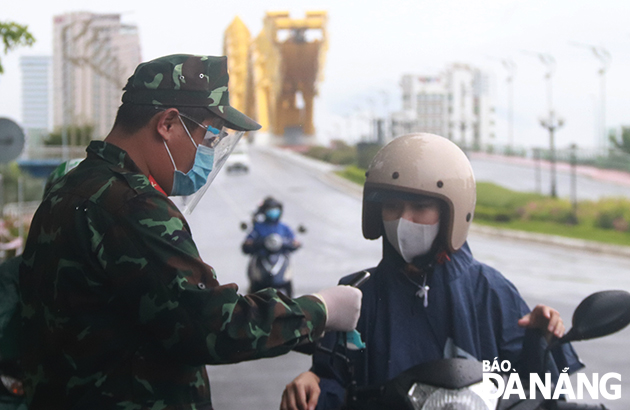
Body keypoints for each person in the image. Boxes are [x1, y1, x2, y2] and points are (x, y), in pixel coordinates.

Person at [18, 54, 361, 410]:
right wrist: (320, 309)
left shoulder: (71, 187)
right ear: (167, 123)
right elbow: (213, 326)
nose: (208, 155)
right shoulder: (133, 206)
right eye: (209, 138)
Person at [280, 133, 582, 410]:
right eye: (392, 206)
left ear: (452, 212)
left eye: (420, 206)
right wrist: (313, 384)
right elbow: (335, 379)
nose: (403, 220)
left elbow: (536, 391)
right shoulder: (356, 294)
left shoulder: (490, 291)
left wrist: (540, 339)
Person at [242, 196, 301, 296]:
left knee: (288, 279)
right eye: (270, 209)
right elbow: (248, 242)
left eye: (275, 209)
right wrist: (253, 243)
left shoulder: (284, 228)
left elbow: (294, 241)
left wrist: (294, 243)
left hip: (280, 258)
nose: (273, 212)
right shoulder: (258, 227)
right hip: (262, 258)